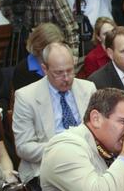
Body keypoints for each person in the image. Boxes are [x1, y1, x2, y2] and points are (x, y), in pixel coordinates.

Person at [12, 42, 97, 181]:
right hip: (48, 166)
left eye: (70, 70)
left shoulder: (88, 88)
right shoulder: (26, 97)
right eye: (58, 73)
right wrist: (63, 149)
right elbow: (24, 147)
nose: (67, 78)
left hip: (88, 161)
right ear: (45, 69)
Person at [12, 23, 64, 92]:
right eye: (52, 48)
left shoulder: (62, 63)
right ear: (39, 47)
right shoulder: (22, 70)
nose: (57, 52)